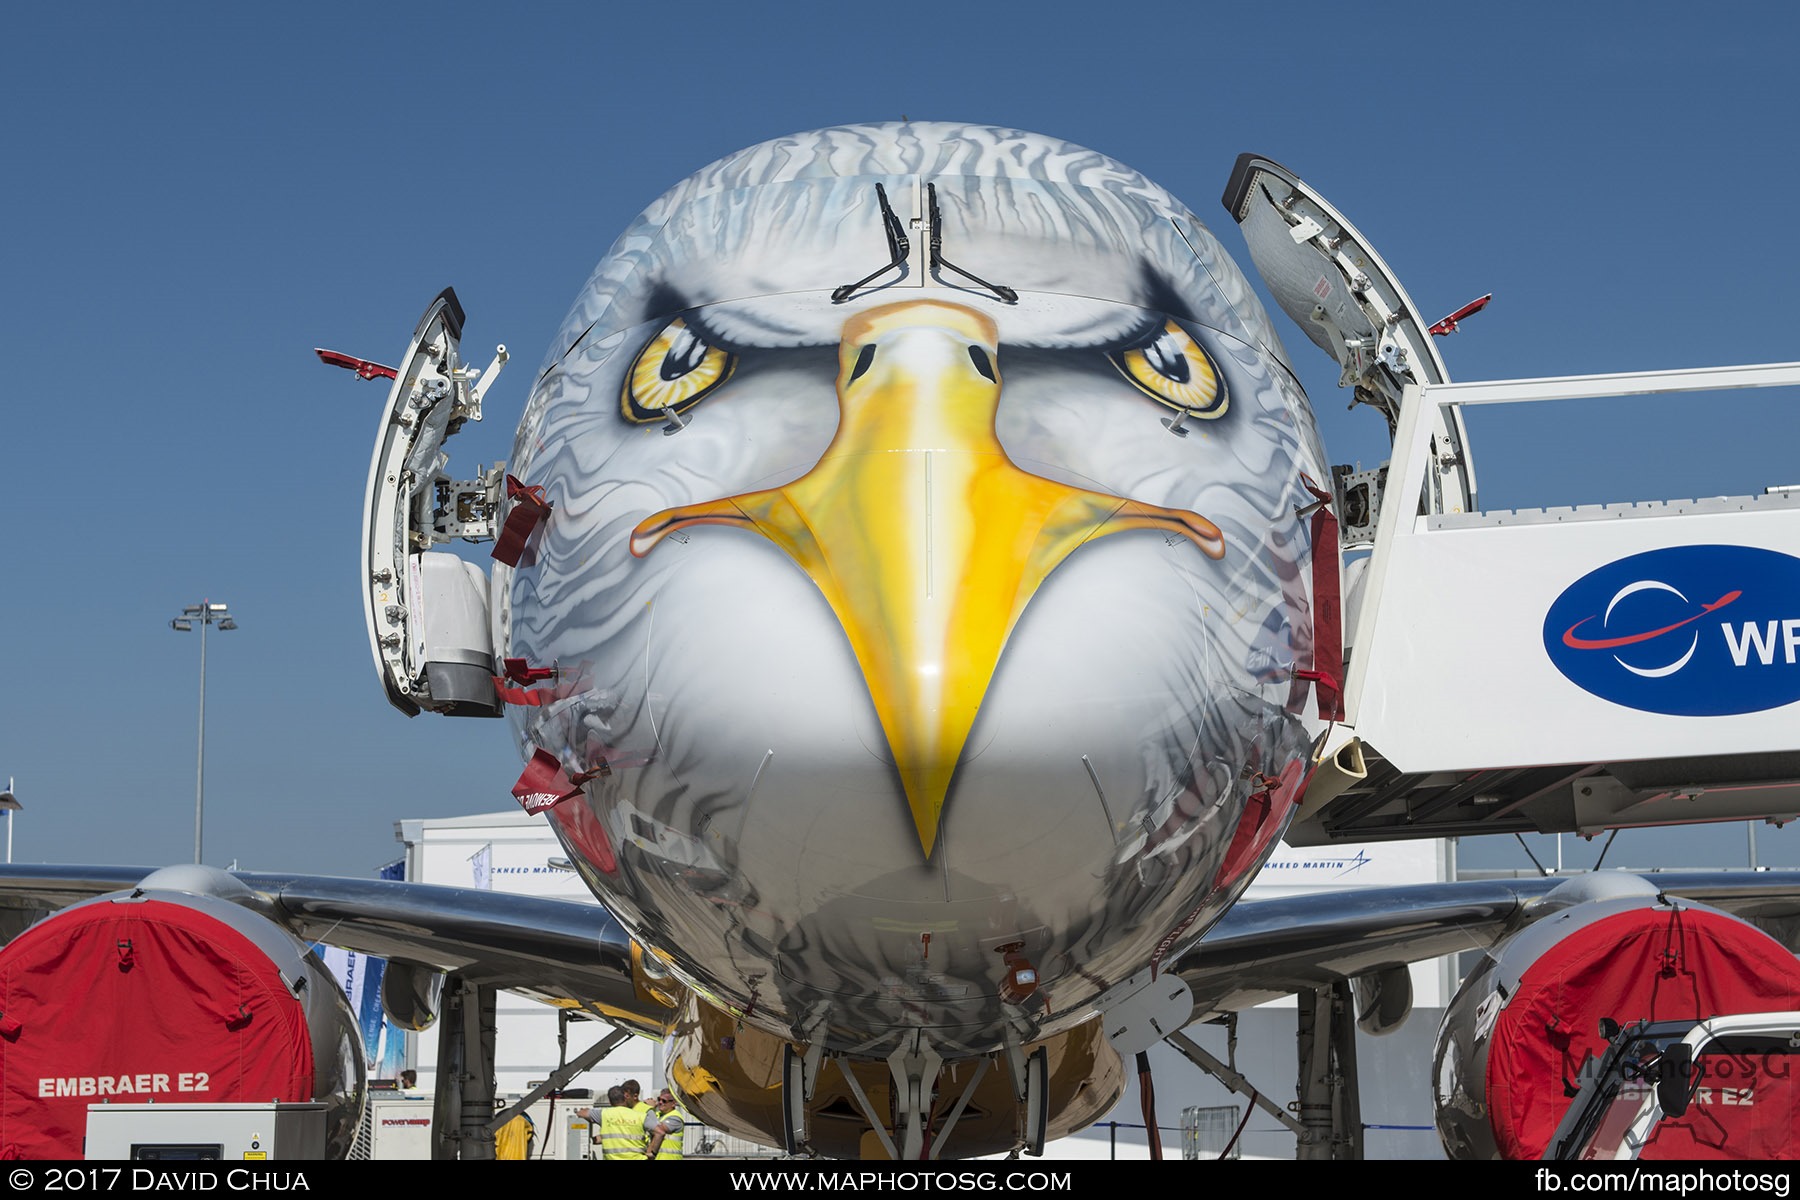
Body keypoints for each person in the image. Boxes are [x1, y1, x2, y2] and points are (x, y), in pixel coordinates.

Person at [593, 1086, 646, 1160]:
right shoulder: (641, 1115)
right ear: (625, 1098)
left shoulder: (604, 1114)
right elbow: (659, 1132)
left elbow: (583, 1113)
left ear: (610, 1101)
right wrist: (652, 1152)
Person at [644, 1089, 685, 1160]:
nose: (660, 1102)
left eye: (664, 1101)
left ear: (673, 1103)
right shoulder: (658, 1115)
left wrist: (650, 1109)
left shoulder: (675, 1118)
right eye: (659, 1099)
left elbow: (659, 1129)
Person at [620, 1079, 651, 1157]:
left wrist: (650, 1153)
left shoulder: (646, 1110)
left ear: (635, 1096)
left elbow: (657, 1134)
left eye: (626, 1096)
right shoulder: (624, 1109)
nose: (623, 1099)